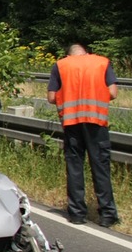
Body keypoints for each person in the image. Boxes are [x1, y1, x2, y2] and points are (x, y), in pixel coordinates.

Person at [47, 44, 119, 226]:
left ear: (69, 55)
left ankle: (77, 214)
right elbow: (113, 92)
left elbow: (51, 97)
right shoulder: (102, 62)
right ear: (86, 52)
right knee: (100, 166)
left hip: (72, 123)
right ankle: (107, 215)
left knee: (74, 167)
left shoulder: (61, 65)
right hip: (96, 122)